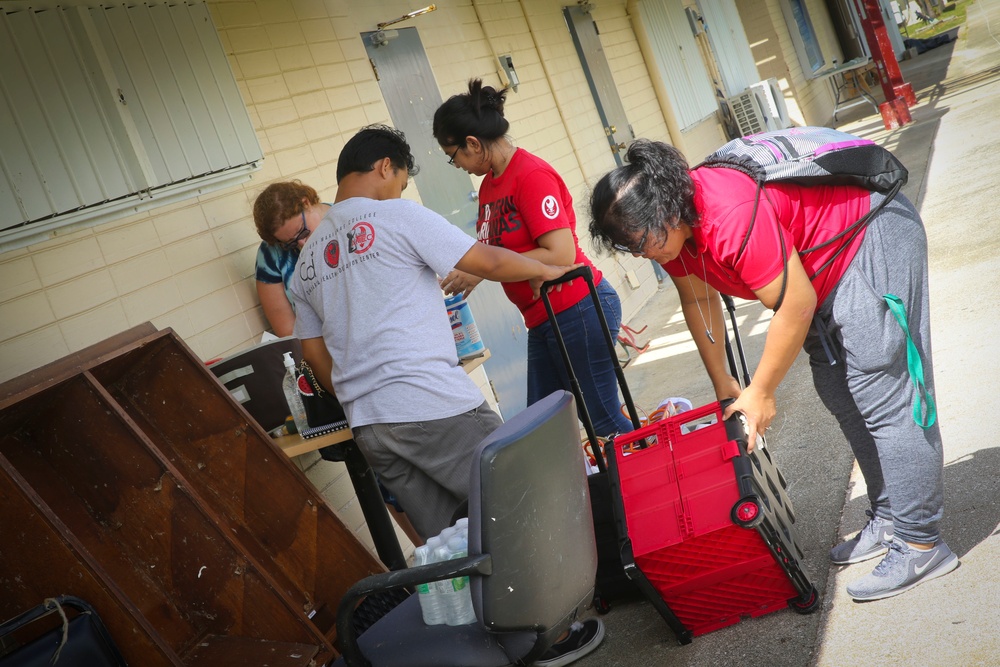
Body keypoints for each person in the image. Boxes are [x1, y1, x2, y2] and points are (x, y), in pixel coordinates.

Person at [588, 138, 957, 602]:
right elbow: (698, 300)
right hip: (820, 265)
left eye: (641, 241)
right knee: (838, 390)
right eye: (628, 248)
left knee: (882, 392)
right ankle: (890, 514)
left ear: (665, 211)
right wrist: (726, 383)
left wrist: (761, 390)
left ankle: (921, 540)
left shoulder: (726, 213)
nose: (641, 255)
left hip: (869, 233)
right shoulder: (675, 237)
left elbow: (795, 303)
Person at [281, 124, 575, 541]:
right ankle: (564, 597)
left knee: (456, 544)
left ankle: (494, 608)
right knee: (527, 494)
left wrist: (361, 394)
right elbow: (485, 262)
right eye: (400, 183)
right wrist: (547, 267)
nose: (399, 194)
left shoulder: (305, 262)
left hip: (370, 427)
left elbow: (311, 352)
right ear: (385, 167)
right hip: (431, 403)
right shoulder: (397, 216)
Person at [432, 79, 635, 440]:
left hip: (578, 308)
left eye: (454, 155)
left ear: (473, 144)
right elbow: (497, 252)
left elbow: (560, 254)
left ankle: (655, 482)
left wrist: (484, 270)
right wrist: (477, 269)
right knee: (544, 431)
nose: (457, 164)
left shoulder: (531, 175)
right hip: (543, 319)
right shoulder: (489, 186)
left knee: (604, 421)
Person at [253, 181, 327, 336]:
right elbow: (288, 330)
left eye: (303, 232)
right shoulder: (270, 254)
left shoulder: (347, 220)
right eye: (290, 243)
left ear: (306, 203)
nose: (301, 243)